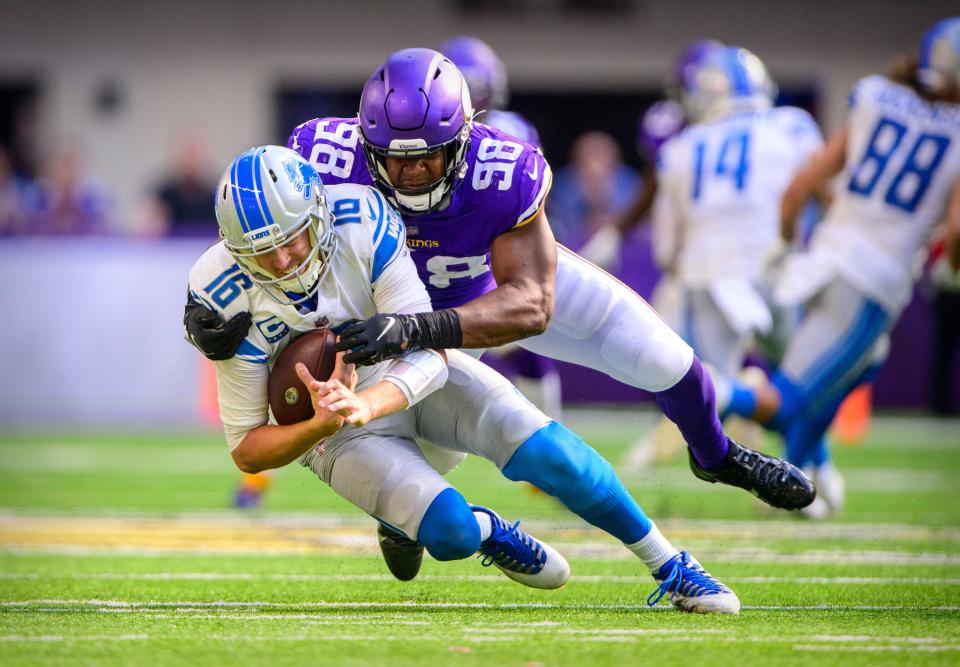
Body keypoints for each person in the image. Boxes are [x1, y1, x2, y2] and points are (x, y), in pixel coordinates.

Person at [187, 48, 815, 514]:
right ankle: (402, 527)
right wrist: (204, 305)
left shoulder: (500, 169)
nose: (409, 175)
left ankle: (717, 456)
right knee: (423, 466)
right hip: (398, 310)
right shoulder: (324, 157)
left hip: (484, 296)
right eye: (394, 159)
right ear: (365, 143)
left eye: (426, 156)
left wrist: (413, 328)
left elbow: (532, 305)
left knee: (670, 361)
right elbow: (265, 212)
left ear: (463, 140)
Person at [190, 144, 741, 613]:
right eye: (262, 251)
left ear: (317, 213)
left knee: (553, 454)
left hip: (402, 374)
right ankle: (489, 530)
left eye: (293, 239)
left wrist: (371, 401)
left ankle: (671, 565)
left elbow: (428, 349)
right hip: (335, 430)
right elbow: (247, 449)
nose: (284, 260)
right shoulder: (221, 293)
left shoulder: (361, 219)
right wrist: (321, 423)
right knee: (451, 533)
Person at [723, 17, 960, 517]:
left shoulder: (877, 96)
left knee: (870, 358)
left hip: (823, 258)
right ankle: (703, 384)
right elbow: (956, 231)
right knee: (786, 403)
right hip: (872, 279)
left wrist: (785, 247)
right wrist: (951, 271)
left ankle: (797, 475)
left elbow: (797, 190)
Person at [439, 35, 562, 421]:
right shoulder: (427, 139)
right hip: (439, 256)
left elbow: (526, 204)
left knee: (524, 350)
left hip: (487, 258)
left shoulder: (510, 131)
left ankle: (551, 434)